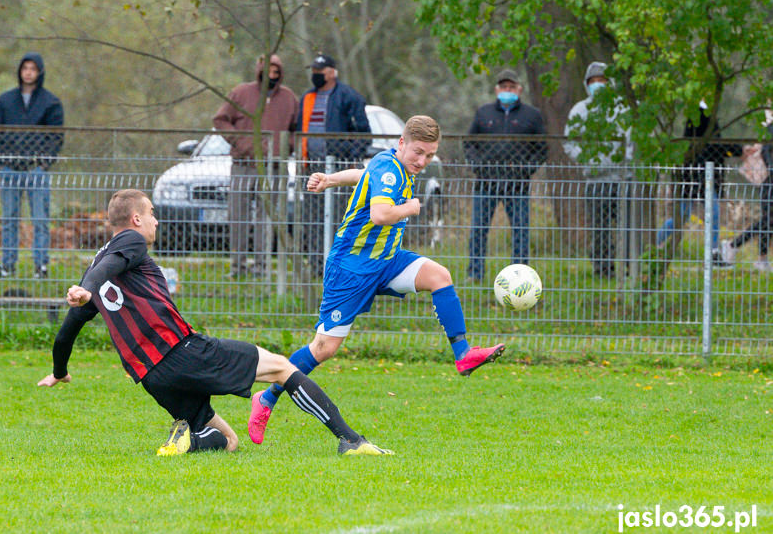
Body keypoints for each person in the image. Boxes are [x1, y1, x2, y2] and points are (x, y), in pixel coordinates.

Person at [36, 189, 392, 456]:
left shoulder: (97, 264)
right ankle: (350, 440)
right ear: (135, 220)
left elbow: (67, 329)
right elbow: (105, 270)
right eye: (151, 213)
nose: (156, 220)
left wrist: (59, 370)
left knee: (230, 442)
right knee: (283, 368)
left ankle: (188, 438)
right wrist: (86, 289)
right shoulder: (129, 241)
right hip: (181, 352)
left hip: (153, 378)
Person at [248, 116, 505, 445]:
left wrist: (329, 180)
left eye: (429, 155)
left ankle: (463, 354)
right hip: (351, 268)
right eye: (418, 153)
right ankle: (266, 399)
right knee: (324, 348)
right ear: (402, 143)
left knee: (440, 276)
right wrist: (411, 208)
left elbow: (363, 175)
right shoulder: (390, 170)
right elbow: (380, 214)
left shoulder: (392, 165)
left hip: (387, 260)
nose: (422, 161)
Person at [213, 54, 298, 278]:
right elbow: (220, 119)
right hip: (243, 164)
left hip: (274, 167)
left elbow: (296, 130)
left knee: (267, 218)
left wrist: (283, 148)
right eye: (268, 70)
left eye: (276, 72)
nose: (272, 75)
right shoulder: (241, 93)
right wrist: (242, 142)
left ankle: (262, 268)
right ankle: (237, 267)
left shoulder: (289, 98)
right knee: (238, 215)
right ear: (260, 70)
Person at [464, 69, 547, 279]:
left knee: (520, 231)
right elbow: (469, 143)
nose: (507, 90)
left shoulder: (532, 115)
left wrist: (526, 170)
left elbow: (542, 148)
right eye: (504, 87)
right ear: (496, 90)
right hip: (486, 182)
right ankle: (475, 273)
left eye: (511, 87)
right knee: (478, 230)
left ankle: (519, 275)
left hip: (517, 184)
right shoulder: (483, 113)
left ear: (519, 89)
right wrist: (478, 166)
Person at [0, 52, 64, 279]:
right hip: (10, 168)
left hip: (36, 169)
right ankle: (7, 265)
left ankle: (40, 266)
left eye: (33, 68)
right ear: (20, 71)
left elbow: (56, 137)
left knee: (40, 220)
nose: (28, 72)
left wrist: (44, 163)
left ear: (39, 72)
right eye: (25, 68)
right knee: (10, 218)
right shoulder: (6, 100)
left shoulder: (50, 103)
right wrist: (0, 162)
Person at [298, 53, 372, 275]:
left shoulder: (350, 97)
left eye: (319, 72)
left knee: (340, 216)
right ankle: (316, 264)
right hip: (312, 165)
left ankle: (339, 263)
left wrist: (349, 157)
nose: (315, 76)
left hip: (340, 167)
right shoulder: (307, 98)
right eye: (314, 72)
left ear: (331, 72)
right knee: (313, 216)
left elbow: (363, 133)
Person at [563, 62, 634, 278]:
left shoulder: (624, 108)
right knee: (599, 228)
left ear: (610, 82)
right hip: (595, 181)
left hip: (623, 179)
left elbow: (632, 142)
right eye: (592, 81)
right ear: (586, 84)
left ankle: (630, 267)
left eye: (601, 80)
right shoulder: (579, 110)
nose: (597, 85)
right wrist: (587, 163)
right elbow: (569, 142)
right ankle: (603, 268)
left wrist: (623, 163)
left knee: (628, 226)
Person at [656, 102, 739, 267]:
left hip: (697, 175)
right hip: (697, 176)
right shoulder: (701, 114)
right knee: (696, 214)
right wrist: (737, 149)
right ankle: (654, 244)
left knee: (706, 213)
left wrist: (735, 149)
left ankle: (713, 253)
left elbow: (715, 144)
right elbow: (714, 143)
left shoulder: (703, 113)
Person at [720, 134, 773, 272]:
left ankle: (759, 258)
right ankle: (734, 246)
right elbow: (766, 151)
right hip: (770, 182)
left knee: (768, 221)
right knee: (768, 220)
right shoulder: (770, 128)